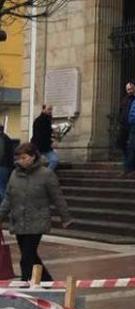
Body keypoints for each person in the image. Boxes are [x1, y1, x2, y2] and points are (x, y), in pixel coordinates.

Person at [0, 143, 73, 282]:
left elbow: (57, 197)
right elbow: (8, 197)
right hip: (19, 221)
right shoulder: (14, 174)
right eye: (18, 158)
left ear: (33, 157)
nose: (20, 161)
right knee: (31, 256)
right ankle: (47, 280)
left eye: (24, 157)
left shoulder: (46, 174)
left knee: (26, 258)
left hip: (37, 221)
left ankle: (26, 282)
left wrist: (66, 217)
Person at [31, 105, 59, 171]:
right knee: (35, 163)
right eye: (49, 109)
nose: (50, 111)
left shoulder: (48, 119)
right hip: (38, 146)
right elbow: (41, 135)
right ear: (43, 109)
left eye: (51, 109)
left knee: (54, 160)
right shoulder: (39, 120)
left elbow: (47, 133)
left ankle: (47, 174)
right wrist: (51, 142)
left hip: (46, 147)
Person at [115, 83, 135, 153]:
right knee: (121, 142)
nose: (129, 91)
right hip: (124, 124)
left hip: (132, 124)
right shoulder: (124, 99)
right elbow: (121, 110)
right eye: (128, 89)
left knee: (132, 143)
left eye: (130, 89)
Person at [0, 125, 14, 201]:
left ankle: (3, 207)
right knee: (3, 186)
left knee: (2, 187)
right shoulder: (7, 138)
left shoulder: (2, 139)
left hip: (2, 166)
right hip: (5, 166)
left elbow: (1, 154)